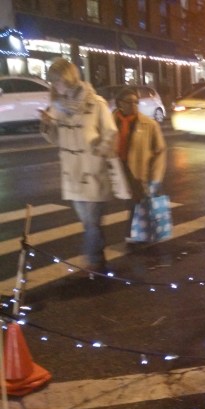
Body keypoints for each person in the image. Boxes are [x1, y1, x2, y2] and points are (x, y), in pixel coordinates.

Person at [39, 58, 118, 273]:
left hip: (93, 175)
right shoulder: (57, 107)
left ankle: (93, 263)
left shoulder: (96, 103)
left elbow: (110, 132)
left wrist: (98, 153)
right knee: (89, 224)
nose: (55, 86)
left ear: (68, 78)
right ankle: (98, 260)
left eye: (57, 81)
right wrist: (47, 125)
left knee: (92, 223)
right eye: (52, 82)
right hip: (72, 176)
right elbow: (56, 140)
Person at [112, 87, 167, 242]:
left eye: (136, 102)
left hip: (139, 171)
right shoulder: (111, 122)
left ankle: (134, 235)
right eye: (129, 102)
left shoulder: (149, 124)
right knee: (134, 203)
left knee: (137, 203)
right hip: (119, 170)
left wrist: (155, 177)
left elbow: (160, 151)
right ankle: (138, 234)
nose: (133, 105)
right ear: (119, 104)